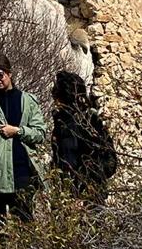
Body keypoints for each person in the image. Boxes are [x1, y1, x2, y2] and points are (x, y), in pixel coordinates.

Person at [0, 53, 46, 226]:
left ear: (9, 74)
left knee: (25, 226)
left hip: (22, 173)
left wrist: (17, 131)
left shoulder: (27, 101)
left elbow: (40, 133)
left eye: (0, 75)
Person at [50, 70, 117, 201]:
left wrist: (88, 187)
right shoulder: (60, 122)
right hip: (65, 197)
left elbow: (110, 162)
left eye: (57, 94)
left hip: (89, 198)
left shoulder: (90, 122)